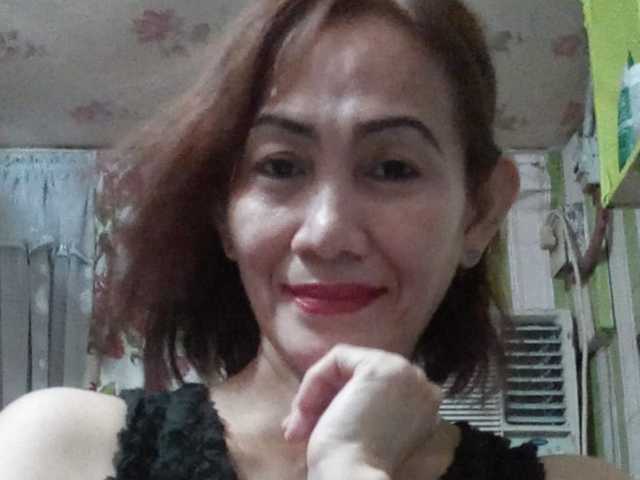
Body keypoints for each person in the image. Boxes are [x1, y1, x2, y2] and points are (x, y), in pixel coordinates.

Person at [0, 1, 630, 479]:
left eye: (393, 168)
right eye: (280, 166)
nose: (327, 234)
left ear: (481, 212)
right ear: (224, 213)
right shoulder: (60, 450)